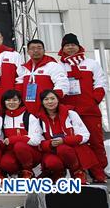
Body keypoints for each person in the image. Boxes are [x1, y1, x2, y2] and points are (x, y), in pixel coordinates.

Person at [56, 33, 107, 182]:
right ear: (63, 48)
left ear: (78, 46)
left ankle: (99, 172)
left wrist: (94, 100)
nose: (70, 48)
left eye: (73, 45)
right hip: (69, 111)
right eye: (67, 45)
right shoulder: (59, 66)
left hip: (89, 110)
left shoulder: (91, 63)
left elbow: (100, 83)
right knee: (74, 142)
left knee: (96, 142)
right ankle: (78, 172)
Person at [36, 89, 94, 183]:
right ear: (42, 102)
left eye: (52, 98)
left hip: (72, 149)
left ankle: (77, 172)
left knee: (63, 148)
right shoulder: (38, 118)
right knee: (51, 163)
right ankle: (58, 174)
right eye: (46, 99)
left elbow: (85, 135)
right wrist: (50, 144)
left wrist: (64, 140)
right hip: (52, 150)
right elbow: (39, 141)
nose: (50, 102)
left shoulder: (71, 114)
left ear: (58, 100)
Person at [0, 89, 44, 179]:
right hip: (12, 152)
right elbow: (0, 138)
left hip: (30, 152)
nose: (11, 103)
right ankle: (18, 172)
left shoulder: (28, 116)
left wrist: (14, 139)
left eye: (15, 100)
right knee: (6, 163)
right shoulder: (2, 118)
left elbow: (37, 140)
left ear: (19, 102)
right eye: (8, 100)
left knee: (19, 146)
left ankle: (28, 171)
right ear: (4, 102)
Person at [16, 39, 68, 113]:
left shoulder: (53, 65)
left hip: (48, 109)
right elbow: (19, 85)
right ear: (28, 52)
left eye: (39, 48)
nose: (36, 50)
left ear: (44, 50)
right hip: (28, 109)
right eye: (32, 48)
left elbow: (62, 83)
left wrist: (52, 100)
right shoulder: (24, 68)